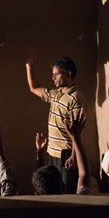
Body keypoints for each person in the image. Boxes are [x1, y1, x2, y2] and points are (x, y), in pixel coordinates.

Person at [26, 55, 88, 193]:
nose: (52, 78)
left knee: (66, 192)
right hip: (52, 152)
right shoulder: (55, 94)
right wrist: (29, 67)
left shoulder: (76, 99)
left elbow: (78, 131)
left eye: (56, 75)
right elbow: (34, 88)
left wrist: (73, 156)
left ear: (69, 74)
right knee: (52, 191)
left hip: (66, 155)